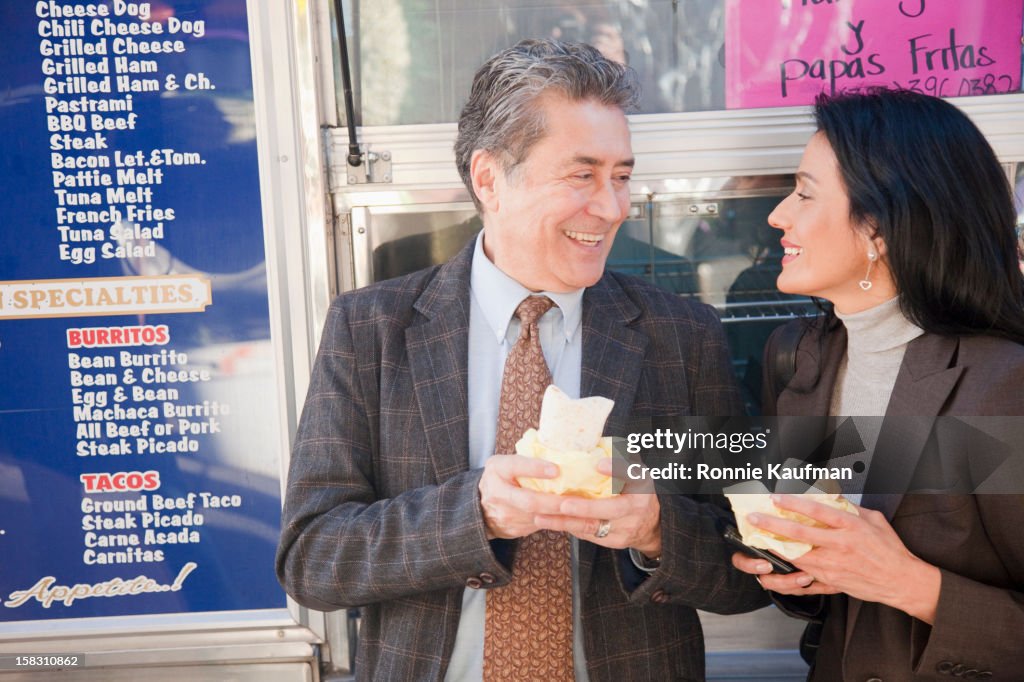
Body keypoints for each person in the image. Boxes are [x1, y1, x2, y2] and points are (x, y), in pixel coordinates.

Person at [276, 39, 766, 681]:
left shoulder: (680, 335)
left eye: (621, 175)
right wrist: (474, 513)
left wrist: (655, 531)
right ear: (488, 178)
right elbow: (312, 559)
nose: (614, 207)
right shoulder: (370, 329)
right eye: (581, 174)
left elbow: (750, 567)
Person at [731, 88, 1024, 680]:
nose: (778, 214)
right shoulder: (797, 357)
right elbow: (827, 595)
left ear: (879, 229)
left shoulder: (1004, 385)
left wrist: (911, 585)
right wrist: (792, 569)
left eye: (805, 194)